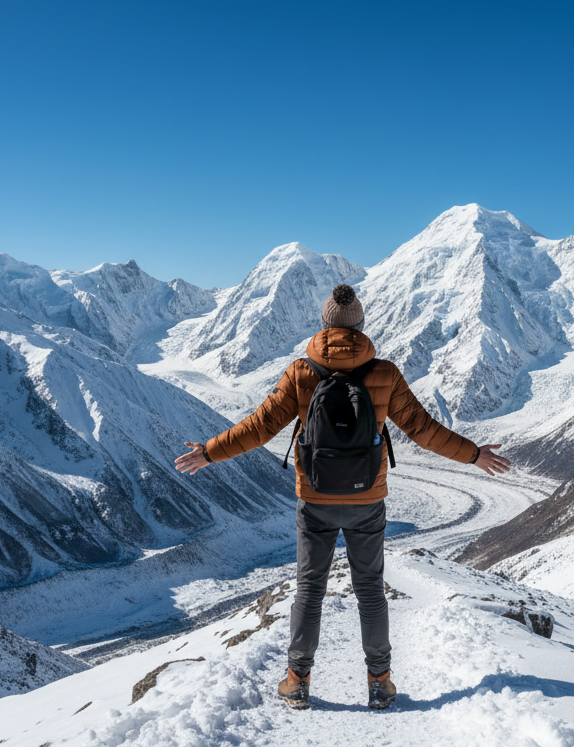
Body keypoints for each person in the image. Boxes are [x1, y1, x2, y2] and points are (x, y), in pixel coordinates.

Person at [175, 284, 510, 710]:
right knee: (369, 590)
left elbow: (259, 427)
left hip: (313, 499)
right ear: (360, 325)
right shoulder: (385, 374)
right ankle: (380, 683)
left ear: (323, 324)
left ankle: (297, 681)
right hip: (367, 499)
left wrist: (210, 451)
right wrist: (474, 455)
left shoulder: (300, 372)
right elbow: (424, 430)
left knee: (309, 590)